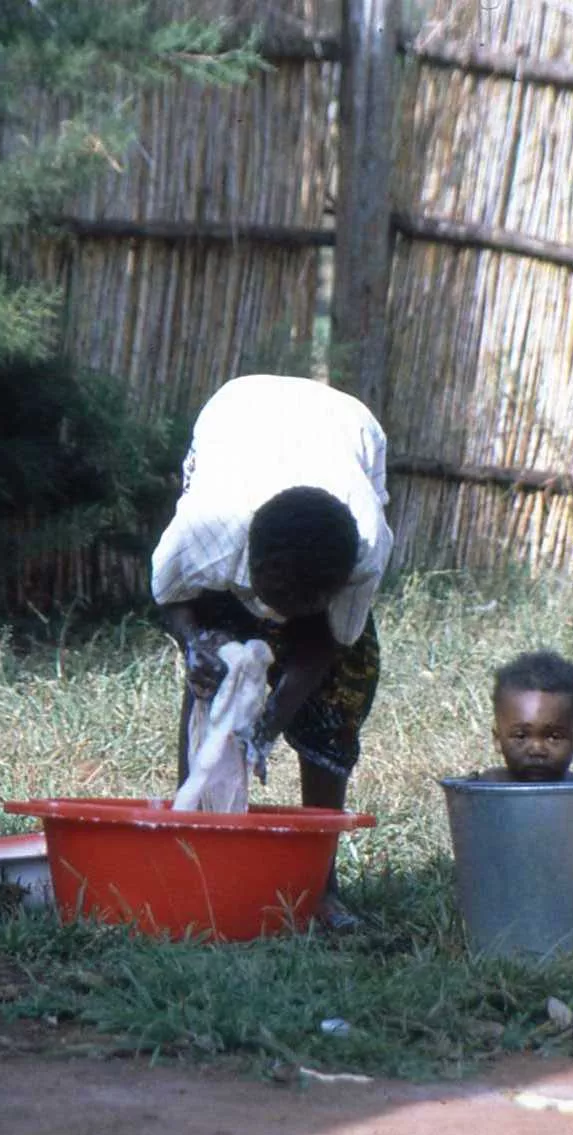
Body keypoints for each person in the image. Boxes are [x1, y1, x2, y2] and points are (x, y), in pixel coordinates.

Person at [150, 374, 392, 928]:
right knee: (213, 684)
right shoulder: (205, 531)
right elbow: (169, 596)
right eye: (274, 597)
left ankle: (320, 889)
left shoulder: (364, 548)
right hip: (239, 415)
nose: (280, 617)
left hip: (348, 432)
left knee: (340, 702)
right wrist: (198, 643)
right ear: (248, 564)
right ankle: (198, 863)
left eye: (307, 602)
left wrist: (270, 722)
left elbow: (330, 642)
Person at [478, 650, 573, 783]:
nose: (537, 749)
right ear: (497, 739)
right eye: (521, 736)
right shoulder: (479, 793)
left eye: (554, 737)